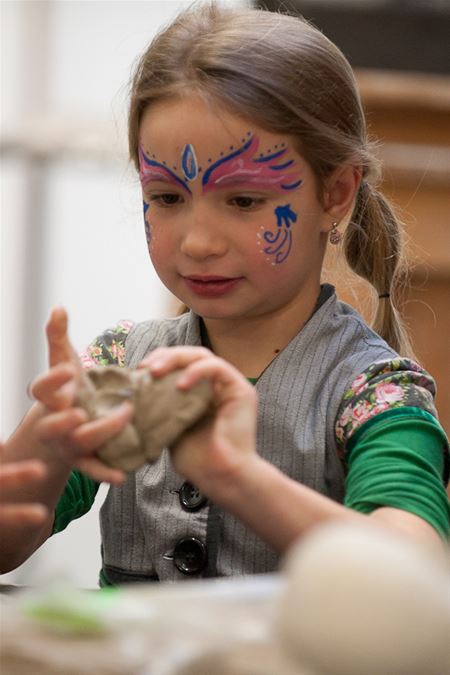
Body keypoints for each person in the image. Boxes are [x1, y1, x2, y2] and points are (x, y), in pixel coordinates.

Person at [1, 3, 448, 584]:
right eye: (166, 198)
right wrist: (48, 443)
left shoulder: (378, 396)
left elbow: (411, 576)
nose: (199, 242)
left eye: (242, 201)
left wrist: (236, 475)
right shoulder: (119, 368)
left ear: (336, 193)